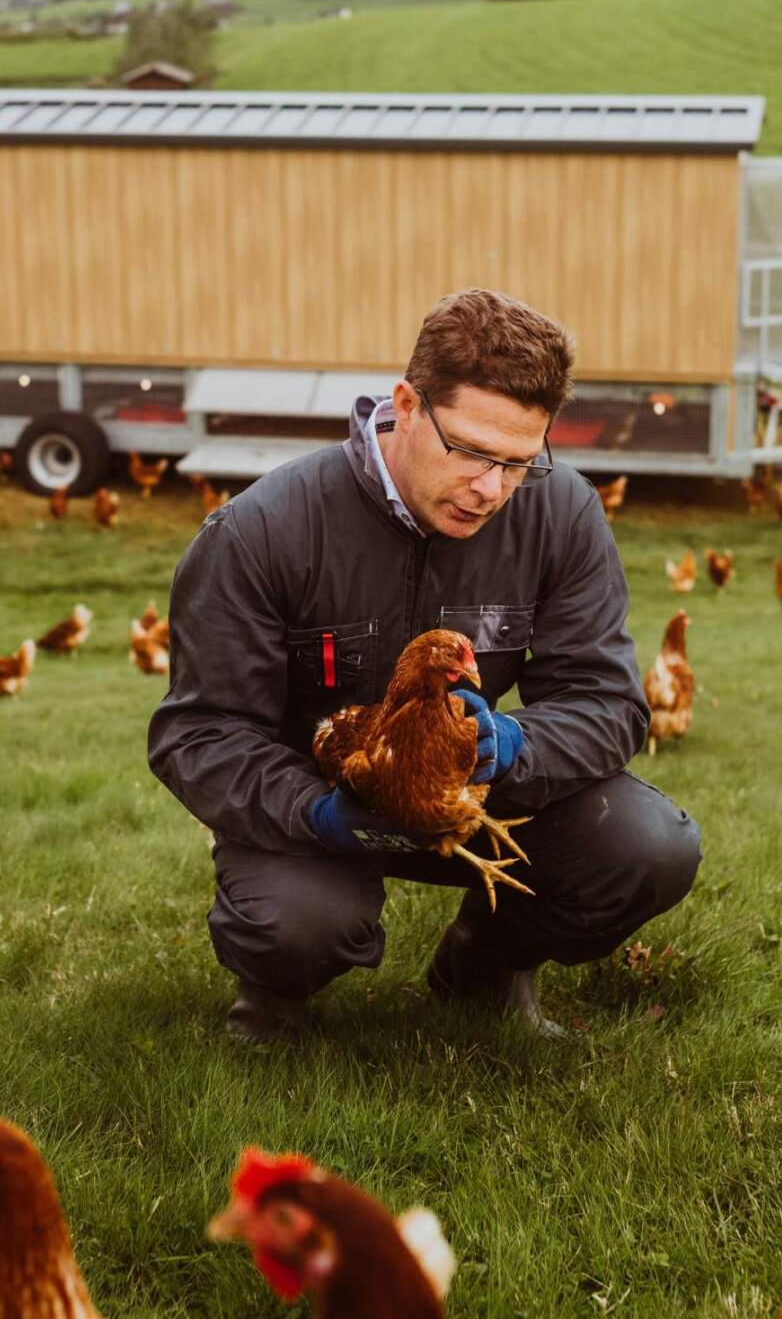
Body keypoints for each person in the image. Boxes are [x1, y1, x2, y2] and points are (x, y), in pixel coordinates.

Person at [148, 288, 702, 1041]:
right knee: (298, 922)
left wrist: (509, 746)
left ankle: (483, 965)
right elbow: (199, 735)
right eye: (471, 451)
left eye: (518, 461)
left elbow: (606, 702)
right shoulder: (261, 532)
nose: (491, 489)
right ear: (406, 404)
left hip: (469, 794)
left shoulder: (562, 513)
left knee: (647, 846)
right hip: (314, 808)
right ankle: (272, 994)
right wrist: (315, 809)